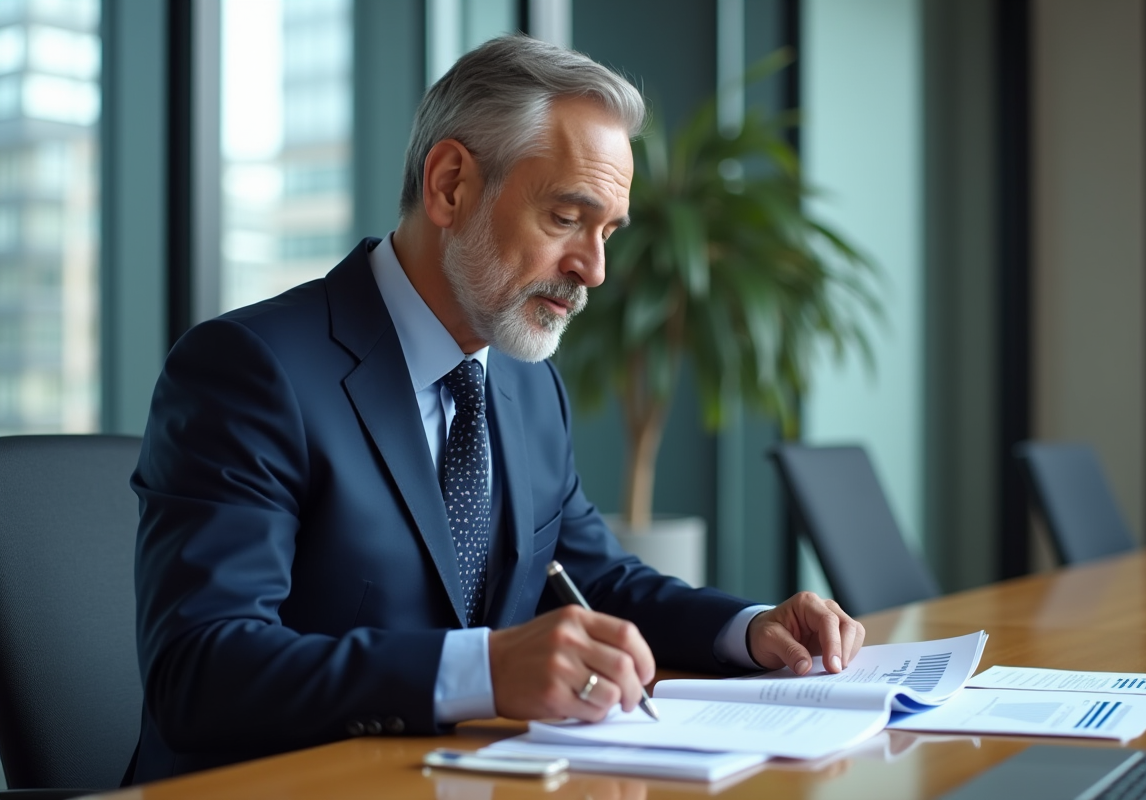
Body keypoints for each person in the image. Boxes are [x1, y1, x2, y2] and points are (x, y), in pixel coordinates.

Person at [128, 34, 866, 784]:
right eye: (566, 218)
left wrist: (748, 629)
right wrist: (484, 669)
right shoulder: (251, 369)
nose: (595, 269)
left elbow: (596, 579)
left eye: (607, 231)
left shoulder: (524, 384)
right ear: (450, 185)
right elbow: (200, 667)